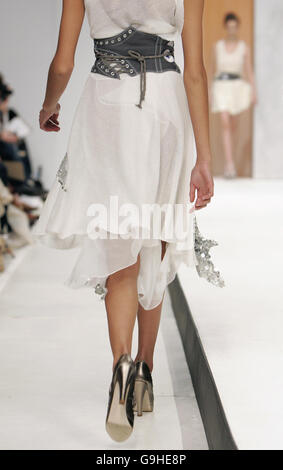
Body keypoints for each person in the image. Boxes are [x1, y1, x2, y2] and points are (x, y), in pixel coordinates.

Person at [35, 0, 214, 442]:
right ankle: (145, 372)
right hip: (166, 103)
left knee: (120, 236)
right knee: (155, 235)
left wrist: (48, 105)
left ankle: (120, 362)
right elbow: (195, 71)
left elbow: (62, 63)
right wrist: (205, 159)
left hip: (108, 103)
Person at [210, 12, 257, 178]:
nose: (231, 29)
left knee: (233, 125)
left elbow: (249, 70)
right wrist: (210, 92)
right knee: (224, 122)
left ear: (237, 27)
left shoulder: (244, 47)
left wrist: (254, 90)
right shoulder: (218, 46)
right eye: (229, 27)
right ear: (226, 27)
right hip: (221, 85)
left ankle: (232, 163)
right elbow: (213, 69)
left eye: (234, 27)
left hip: (237, 87)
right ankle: (229, 165)